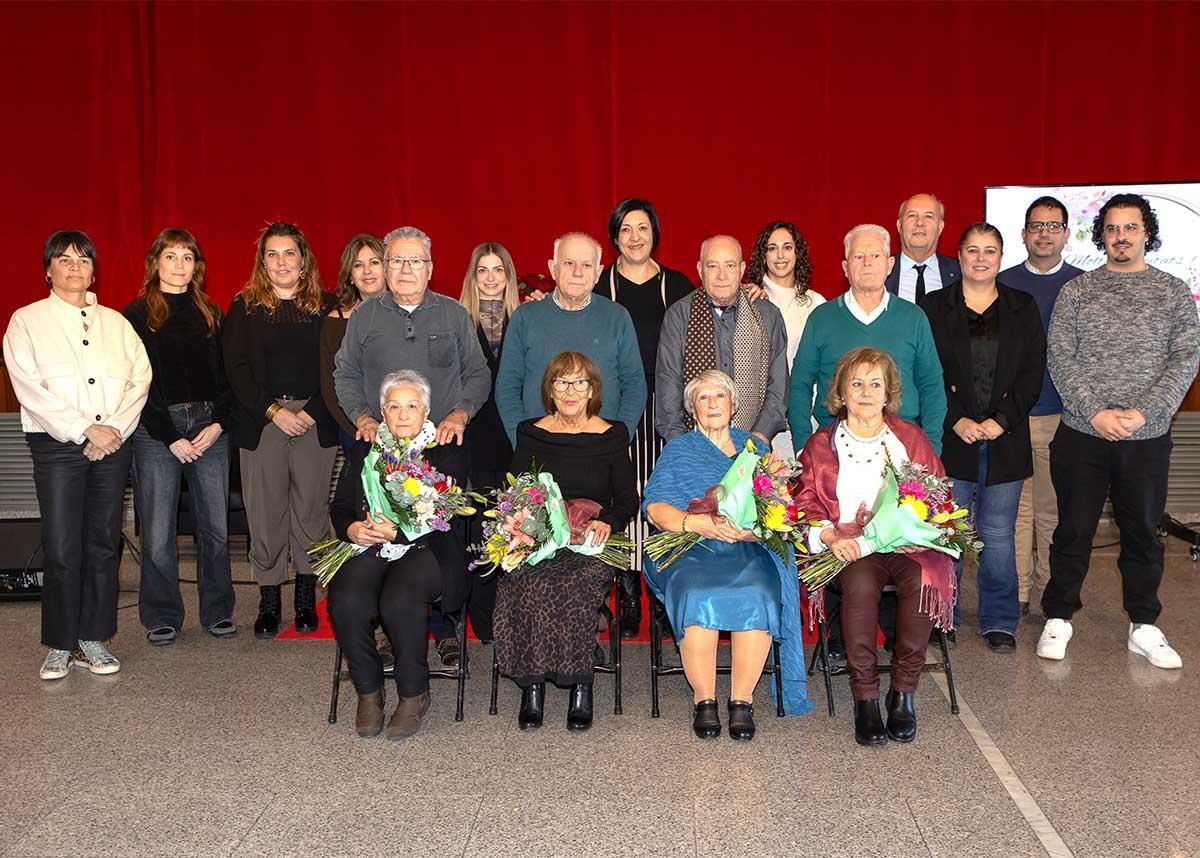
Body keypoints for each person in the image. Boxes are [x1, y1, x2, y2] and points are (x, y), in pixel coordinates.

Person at [1038, 193, 1200, 669]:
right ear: (1101, 234)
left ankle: (1144, 625)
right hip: (1082, 434)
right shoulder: (1077, 292)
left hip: (1146, 438)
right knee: (1073, 529)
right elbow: (1061, 358)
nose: (1121, 236)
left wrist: (1145, 412)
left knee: (1143, 534)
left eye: (1131, 227)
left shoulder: (1173, 292)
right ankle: (1059, 616)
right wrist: (1095, 413)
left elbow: (1185, 358)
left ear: (1146, 232)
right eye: (1112, 228)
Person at [333, 225, 491, 666]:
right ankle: (386, 629)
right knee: (382, 533)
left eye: (415, 261)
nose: (405, 269)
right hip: (381, 446)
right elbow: (343, 374)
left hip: (440, 447)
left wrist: (460, 413)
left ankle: (443, 628)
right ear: (384, 267)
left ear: (430, 268)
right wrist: (363, 418)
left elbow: (478, 374)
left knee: (440, 540)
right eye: (397, 261)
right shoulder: (364, 317)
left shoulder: (454, 314)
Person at [4, 230, 151, 679]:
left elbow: (140, 379)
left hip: (112, 444)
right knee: (64, 545)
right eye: (64, 259)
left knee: (104, 544)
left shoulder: (116, 323)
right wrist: (82, 428)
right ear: (48, 269)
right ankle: (60, 644)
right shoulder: (26, 321)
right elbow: (28, 386)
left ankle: (94, 638)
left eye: (83, 259)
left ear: (93, 269)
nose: (74, 266)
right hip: (56, 445)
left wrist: (111, 432)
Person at [795, 348, 955, 746]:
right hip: (850, 547)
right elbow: (803, 502)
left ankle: (903, 692)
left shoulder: (910, 438)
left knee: (922, 580)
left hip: (907, 545)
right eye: (856, 383)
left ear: (888, 394)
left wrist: (920, 526)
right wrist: (829, 535)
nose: (865, 392)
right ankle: (865, 697)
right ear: (841, 393)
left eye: (875, 384)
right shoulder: (821, 444)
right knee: (862, 587)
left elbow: (938, 494)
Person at [643, 370, 813, 740]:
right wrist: (695, 523)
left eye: (719, 396)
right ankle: (704, 700)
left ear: (733, 405)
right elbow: (654, 509)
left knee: (758, 590)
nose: (712, 404)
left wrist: (754, 530)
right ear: (693, 409)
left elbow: (782, 511)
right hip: (690, 546)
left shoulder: (757, 452)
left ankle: (741, 701)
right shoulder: (678, 450)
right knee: (695, 592)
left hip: (746, 547)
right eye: (703, 398)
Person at [493, 352, 639, 732]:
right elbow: (516, 490)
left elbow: (627, 498)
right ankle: (533, 687)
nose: (571, 391)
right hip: (542, 534)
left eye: (580, 383)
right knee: (526, 578)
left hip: (591, 535)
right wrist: (524, 524)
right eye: (562, 383)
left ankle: (580, 685)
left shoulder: (612, 434)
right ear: (550, 390)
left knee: (575, 582)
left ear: (593, 390)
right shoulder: (532, 431)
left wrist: (609, 521)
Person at [920, 223, 1045, 652]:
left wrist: (1002, 420)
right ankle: (944, 617)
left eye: (989, 250)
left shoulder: (1021, 306)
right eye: (972, 250)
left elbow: (1032, 373)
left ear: (1000, 255)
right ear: (959, 255)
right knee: (948, 533)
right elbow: (928, 374)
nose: (980, 258)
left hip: (1005, 439)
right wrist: (955, 420)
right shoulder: (935, 307)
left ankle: (999, 620)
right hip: (954, 438)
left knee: (997, 535)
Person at [326, 370, 468, 740]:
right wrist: (352, 529)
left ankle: (412, 693)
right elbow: (341, 506)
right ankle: (369, 691)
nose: (403, 414)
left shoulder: (445, 450)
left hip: (428, 548)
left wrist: (401, 531)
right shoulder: (365, 450)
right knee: (346, 598)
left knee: (399, 599)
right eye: (394, 406)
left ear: (426, 411)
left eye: (412, 406)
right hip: (372, 544)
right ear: (383, 413)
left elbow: (450, 516)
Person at [223, 221, 338, 638]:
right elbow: (235, 369)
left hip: (314, 418)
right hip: (263, 421)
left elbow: (338, 368)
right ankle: (269, 600)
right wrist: (275, 411)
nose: (281, 262)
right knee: (266, 512)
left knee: (310, 511)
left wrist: (313, 411)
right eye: (272, 254)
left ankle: (307, 598)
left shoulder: (326, 306)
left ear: (303, 259)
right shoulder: (245, 306)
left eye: (289, 253)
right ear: (262, 262)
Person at [124, 228, 236, 646]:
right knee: (156, 532)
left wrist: (218, 424)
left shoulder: (211, 312)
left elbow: (227, 376)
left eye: (187, 257)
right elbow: (137, 384)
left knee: (215, 529)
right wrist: (170, 435)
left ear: (197, 265)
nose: (178, 265)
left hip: (210, 429)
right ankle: (162, 615)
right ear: (156, 263)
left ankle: (218, 611)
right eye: (170, 256)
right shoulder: (136, 315)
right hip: (157, 432)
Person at [595, 198, 694, 639]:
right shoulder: (599, 286)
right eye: (626, 229)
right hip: (615, 407)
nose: (635, 237)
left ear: (655, 233)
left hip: (666, 404)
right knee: (620, 492)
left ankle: (660, 594)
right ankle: (627, 587)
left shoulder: (677, 285)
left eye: (643, 228)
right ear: (614, 236)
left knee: (662, 497)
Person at [999, 197, 1085, 615]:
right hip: (1013, 418)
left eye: (1053, 225)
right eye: (1036, 225)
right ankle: (1017, 593)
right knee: (1017, 514)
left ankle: (1054, 595)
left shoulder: (1085, 284)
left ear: (1067, 234)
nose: (1044, 232)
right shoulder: (1003, 284)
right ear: (1024, 235)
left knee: (1054, 512)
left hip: (1062, 418)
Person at [789, 224, 946, 453]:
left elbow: (932, 386)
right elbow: (800, 385)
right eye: (858, 256)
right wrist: (804, 447)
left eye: (875, 255)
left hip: (903, 448)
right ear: (845, 267)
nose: (867, 262)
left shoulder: (914, 318)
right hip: (834, 449)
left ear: (890, 264)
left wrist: (930, 450)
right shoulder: (821, 319)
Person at [495, 232, 646, 447]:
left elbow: (634, 385)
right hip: (539, 448)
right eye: (568, 263)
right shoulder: (525, 317)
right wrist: (522, 441)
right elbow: (507, 386)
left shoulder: (617, 317)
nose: (577, 272)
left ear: (597, 273)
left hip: (602, 450)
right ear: (552, 268)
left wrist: (618, 439)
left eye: (586, 265)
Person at [656, 235, 788, 444]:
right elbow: (668, 387)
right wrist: (682, 445)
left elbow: (778, 386)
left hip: (753, 444)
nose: (722, 276)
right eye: (712, 266)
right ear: (700, 270)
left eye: (730, 265)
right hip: (693, 445)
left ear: (742, 269)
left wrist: (759, 437)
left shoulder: (767, 316)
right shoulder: (679, 316)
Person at [458, 241, 522, 642]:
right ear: (473, 276)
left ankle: (515, 612)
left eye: (499, 270)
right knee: (481, 529)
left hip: (515, 436)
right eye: (483, 270)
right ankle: (483, 617)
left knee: (516, 525)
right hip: (475, 436)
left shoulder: (525, 318)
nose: (491, 278)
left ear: (509, 277)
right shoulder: (458, 321)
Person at [743, 220, 826, 458]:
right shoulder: (750, 298)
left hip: (807, 419)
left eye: (787, 247)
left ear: (797, 252)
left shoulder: (816, 302)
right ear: (763, 255)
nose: (780, 255)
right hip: (761, 422)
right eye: (772, 248)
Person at [320, 234, 387, 454]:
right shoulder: (335, 322)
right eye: (358, 265)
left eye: (374, 262)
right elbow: (330, 386)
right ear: (350, 275)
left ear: (388, 268)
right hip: (357, 432)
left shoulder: (411, 315)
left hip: (409, 430)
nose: (367, 271)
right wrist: (358, 424)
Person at [884, 193, 962, 302]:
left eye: (928, 216)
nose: (920, 222)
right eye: (912, 215)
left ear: (940, 227)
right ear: (899, 226)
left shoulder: (961, 272)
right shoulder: (880, 271)